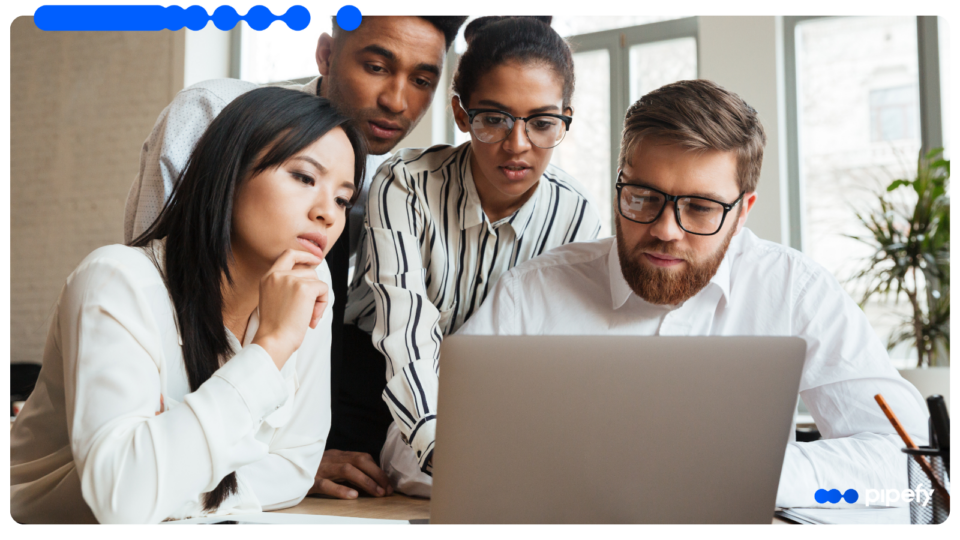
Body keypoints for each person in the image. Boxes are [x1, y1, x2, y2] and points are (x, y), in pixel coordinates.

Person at [456, 79, 930, 507]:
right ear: (619, 183)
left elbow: (906, 465)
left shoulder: (795, 290)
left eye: (700, 208)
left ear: (743, 211)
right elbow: (426, 447)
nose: (665, 230)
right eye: (642, 197)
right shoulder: (532, 292)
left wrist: (745, 475)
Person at [121, 15, 467, 500]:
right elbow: (156, 301)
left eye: (422, 80)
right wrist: (264, 457)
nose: (397, 100)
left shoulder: (391, 186)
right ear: (326, 55)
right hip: (168, 426)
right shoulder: (213, 113)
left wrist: (298, 459)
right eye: (375, 66)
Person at [10, 88, 367, 523]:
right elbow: (122, 498)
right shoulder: (116, 279)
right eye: (304, 178)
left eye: (343, 198)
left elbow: (295, 469)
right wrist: (271, 347)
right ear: (228, 173)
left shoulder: (309, 289)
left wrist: (166, 479)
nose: (328, 214)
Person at [345, 16, 603, 497]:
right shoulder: (405, 183)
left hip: (491, 404)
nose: (517, 145)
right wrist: (448, 456)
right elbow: (406, 331)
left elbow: (559, 355)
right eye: (493, 119)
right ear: (462, 116)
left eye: (543, 122)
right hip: (370, 384)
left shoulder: (577, 214)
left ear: (565, 118)